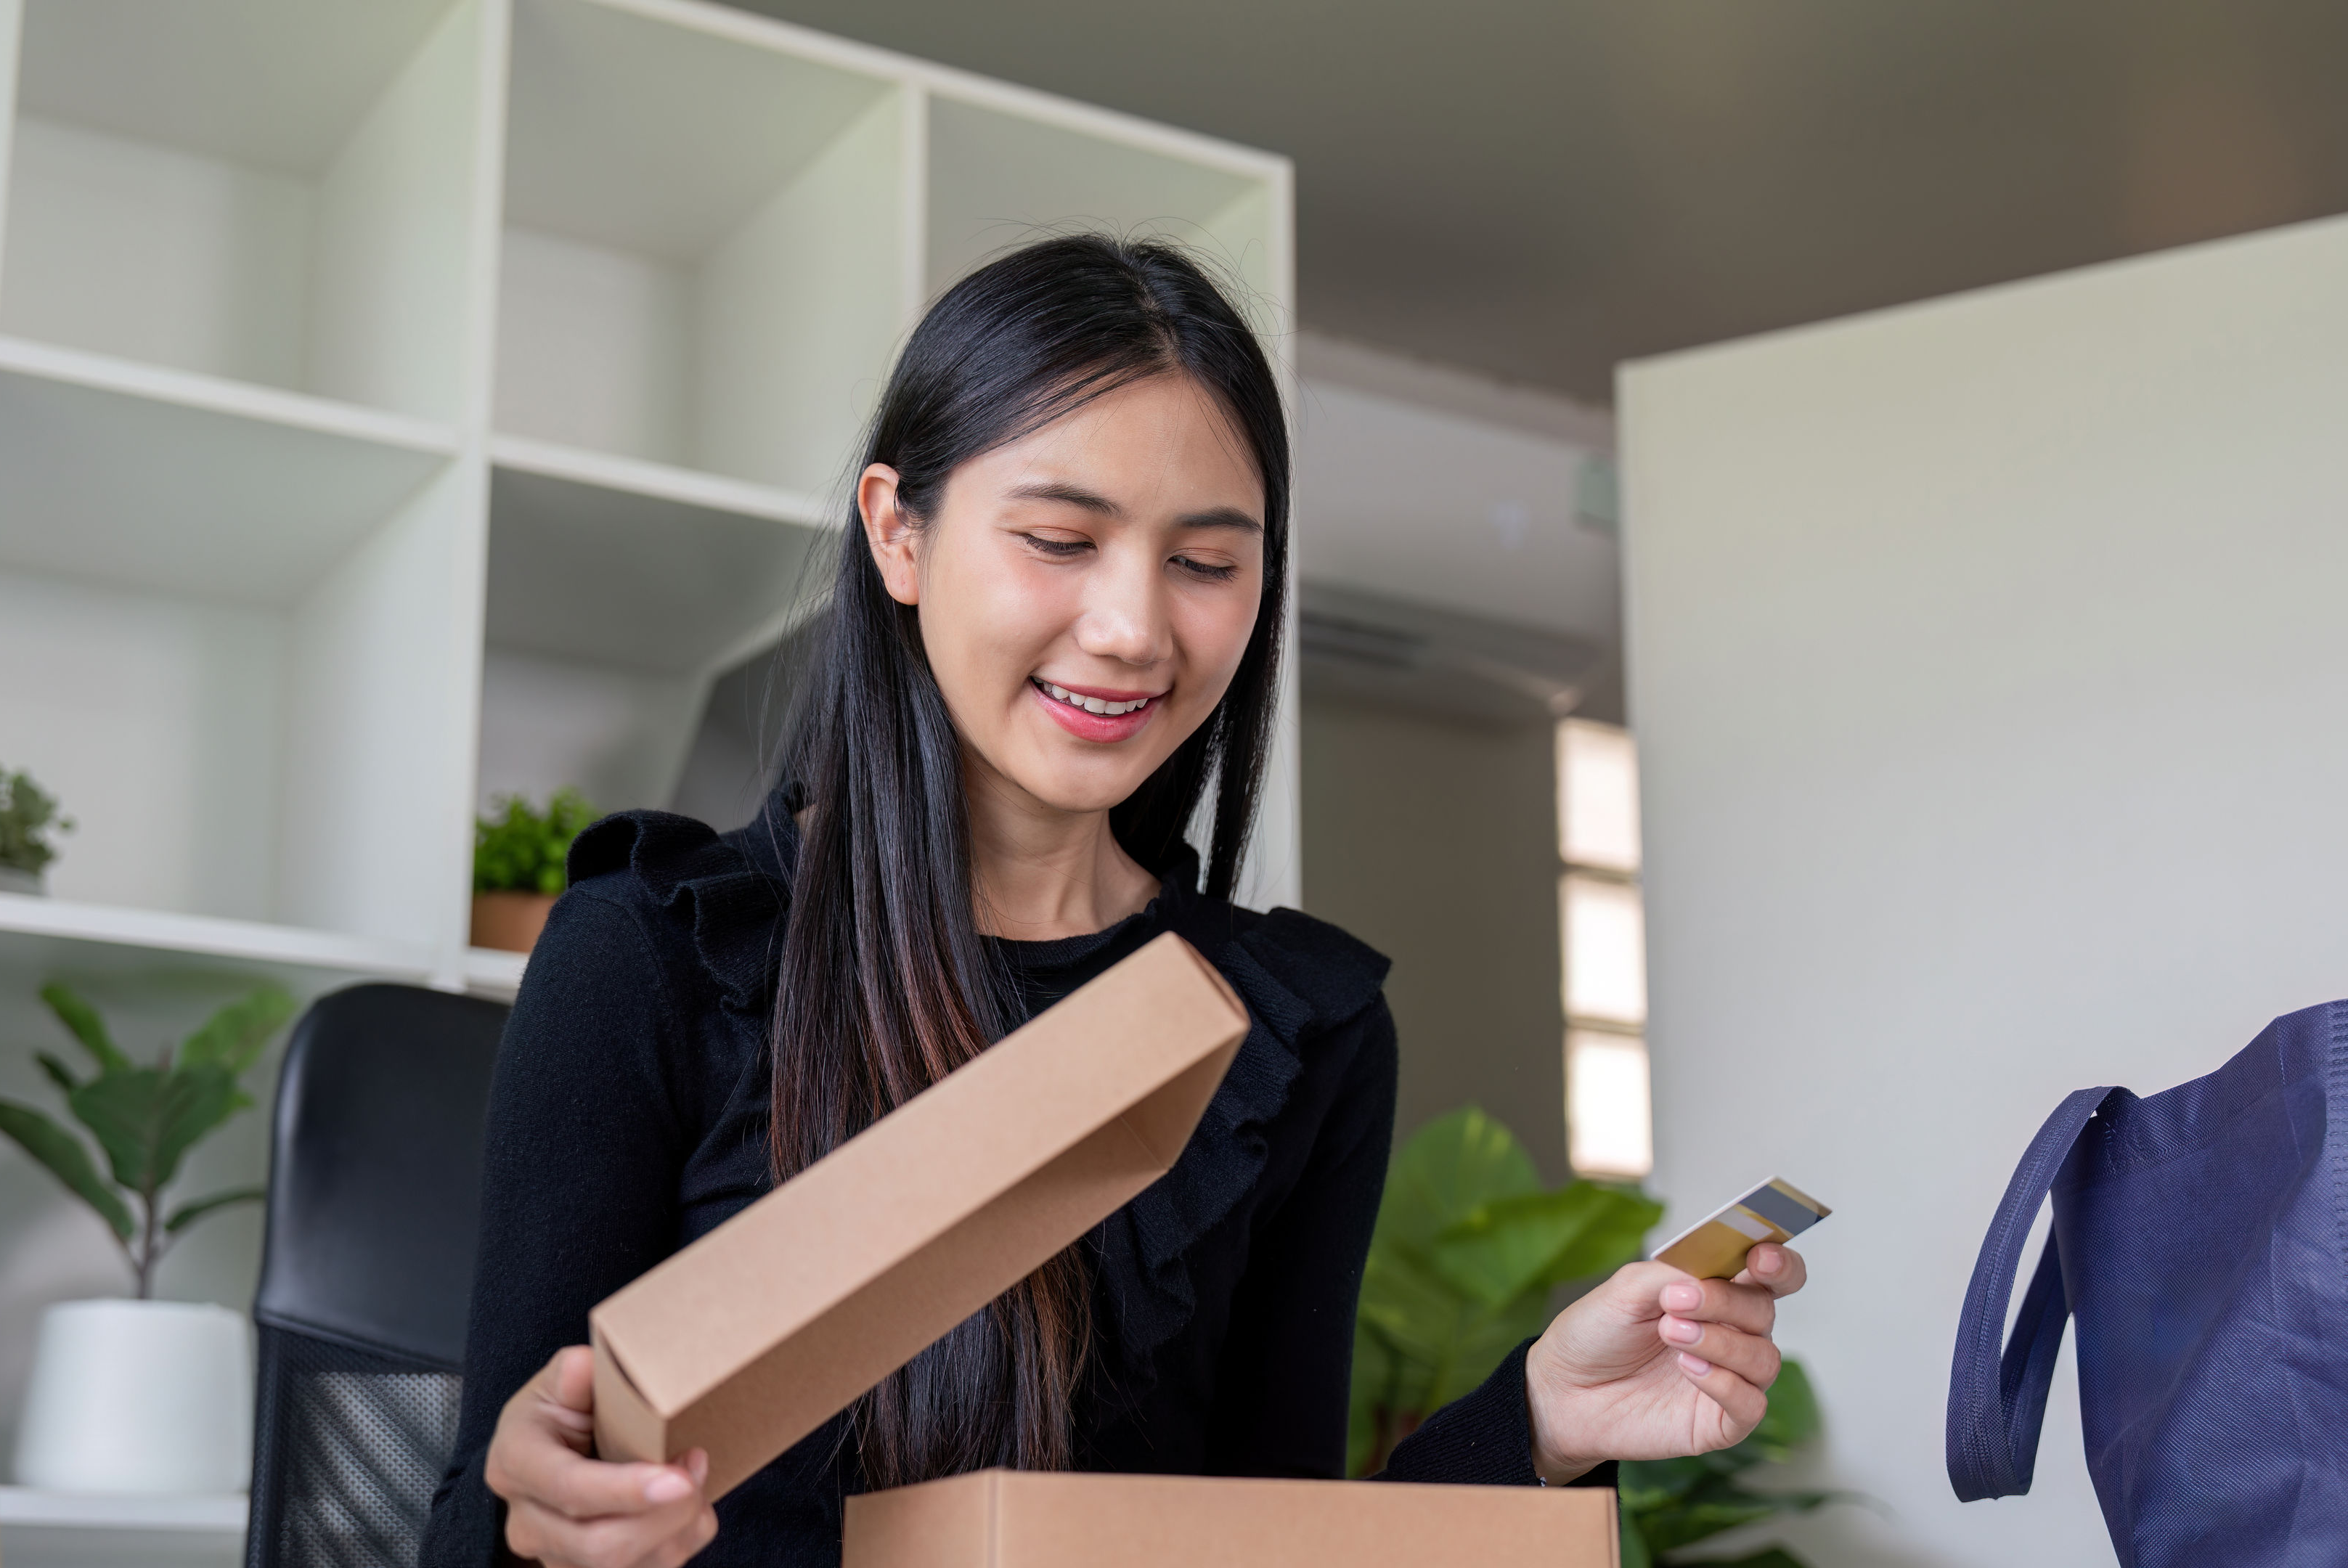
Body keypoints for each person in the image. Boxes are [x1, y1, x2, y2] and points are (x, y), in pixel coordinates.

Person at [420, 235, 1808, 1568]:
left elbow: (1265, 1544)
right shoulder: (657, 957)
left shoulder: (1289, 1036)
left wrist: (1544, 1424)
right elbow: (489, 1515)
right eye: (1060, 538)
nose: (1137, 628)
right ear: (898, 534)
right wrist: (538, 1516)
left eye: (1207, 563)